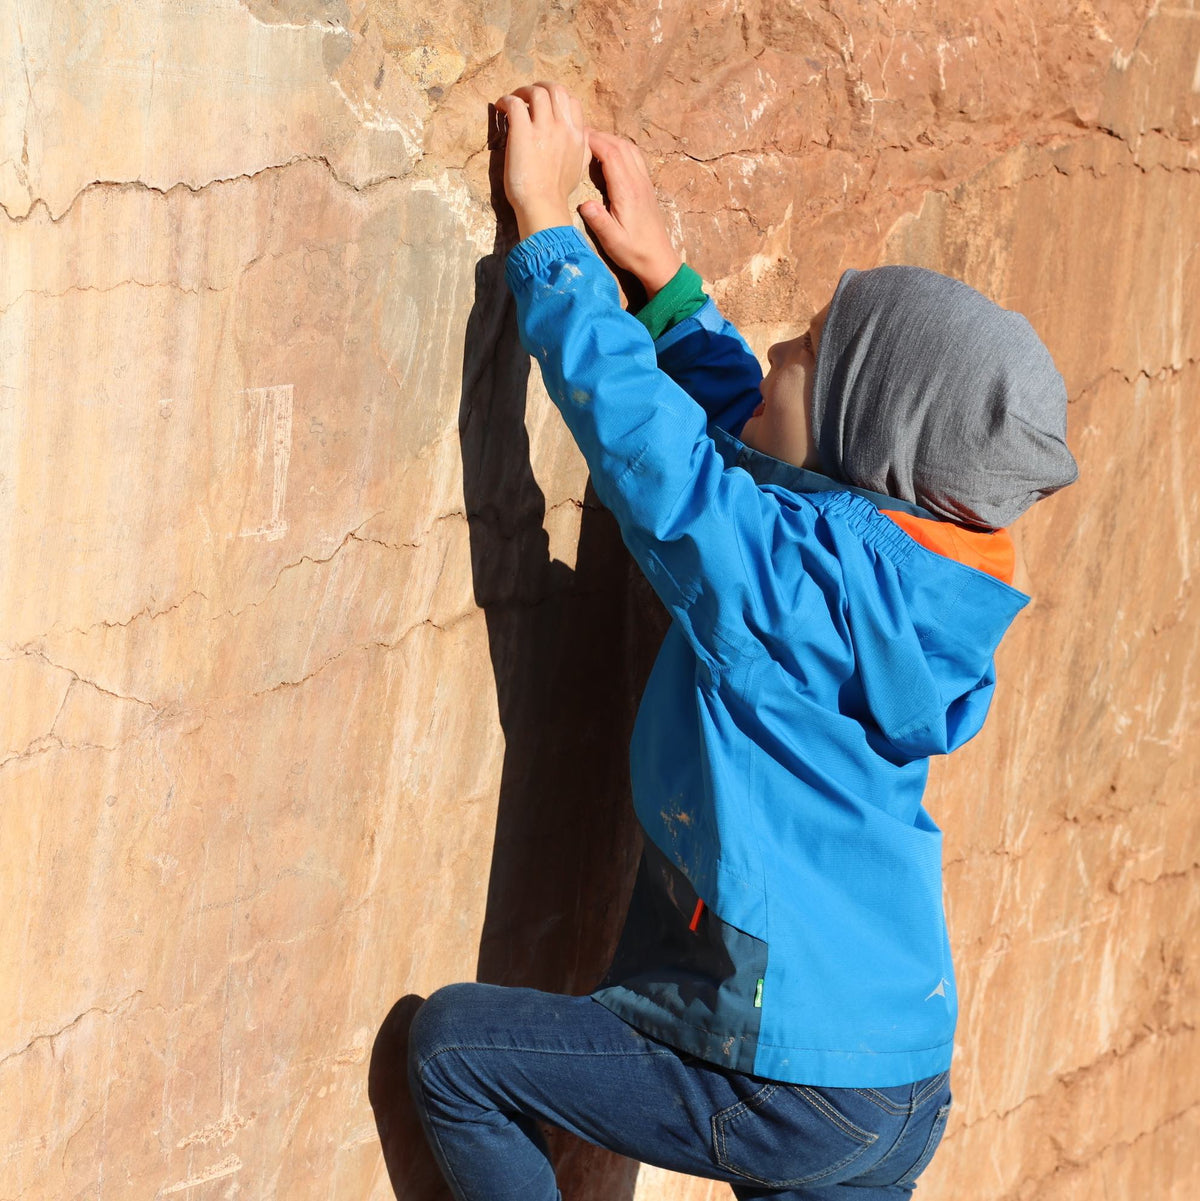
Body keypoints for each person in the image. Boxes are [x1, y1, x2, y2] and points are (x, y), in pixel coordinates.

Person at [405, 81, 1078, 1200]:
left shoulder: (791, 587)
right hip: (896, 1081)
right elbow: (769, 457)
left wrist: (543, 237)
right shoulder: (918, 580)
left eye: (807, 346)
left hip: (786, 1084)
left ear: (870, 443)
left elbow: (663, 468)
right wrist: (666, 290)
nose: (775, 346)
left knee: (458, 1053)